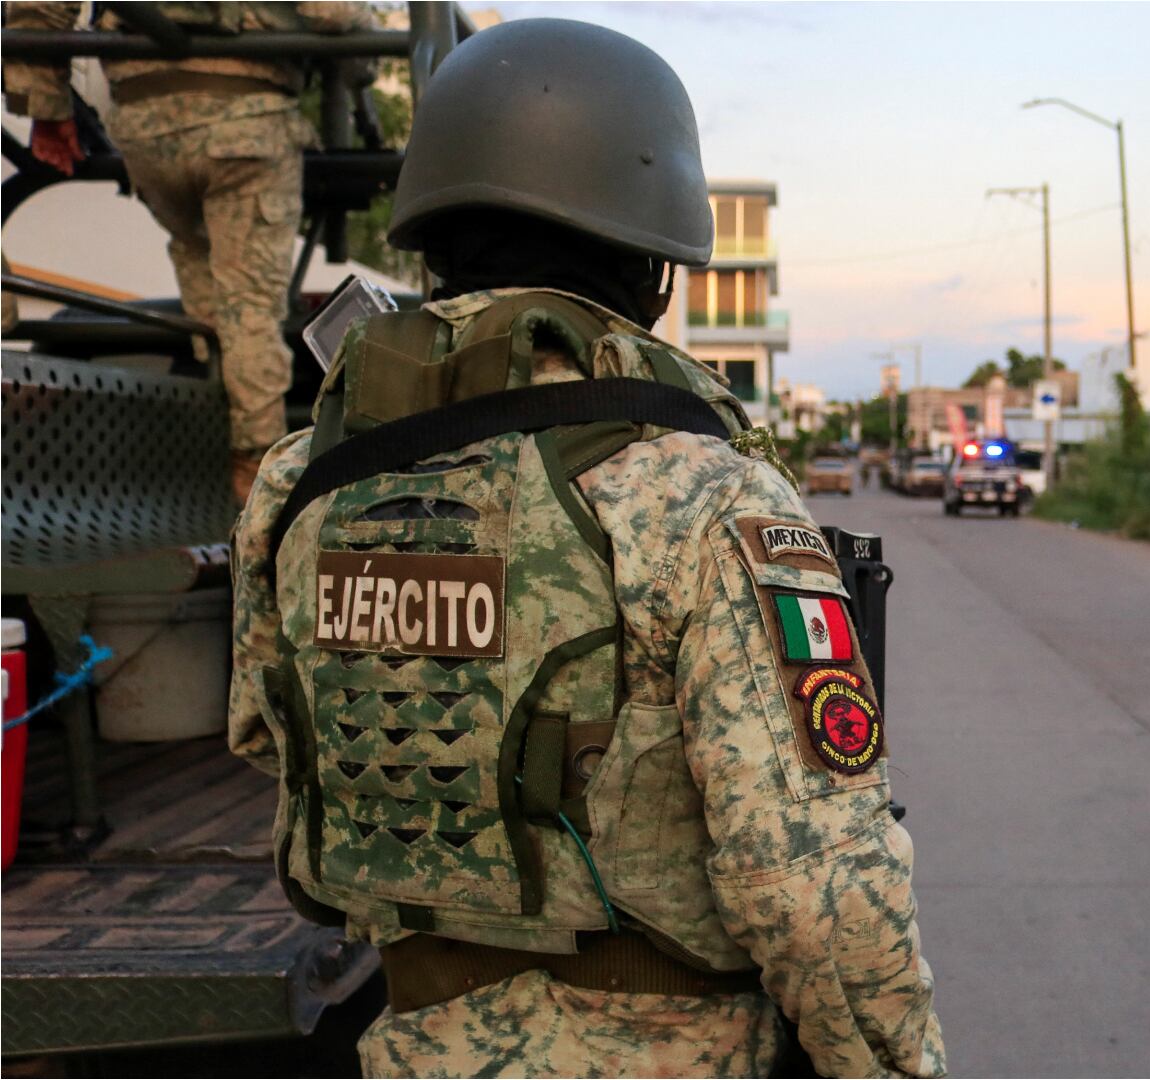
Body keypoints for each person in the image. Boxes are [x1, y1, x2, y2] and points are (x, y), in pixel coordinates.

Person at [224, 18, 944, 1078]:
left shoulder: (298, 483)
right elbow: (816, 886)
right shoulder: (703, 493)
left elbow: (269, 740)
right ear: (656, 258)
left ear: (430, 234)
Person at [2, 1, 373, 503]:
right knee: (250, 308)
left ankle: (215, 434)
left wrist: (45, 108)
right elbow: (332, 12)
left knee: (211, 296)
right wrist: (363, 57)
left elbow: (42, 7)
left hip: (146, 131)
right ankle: (260, 480)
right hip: (246, 121)